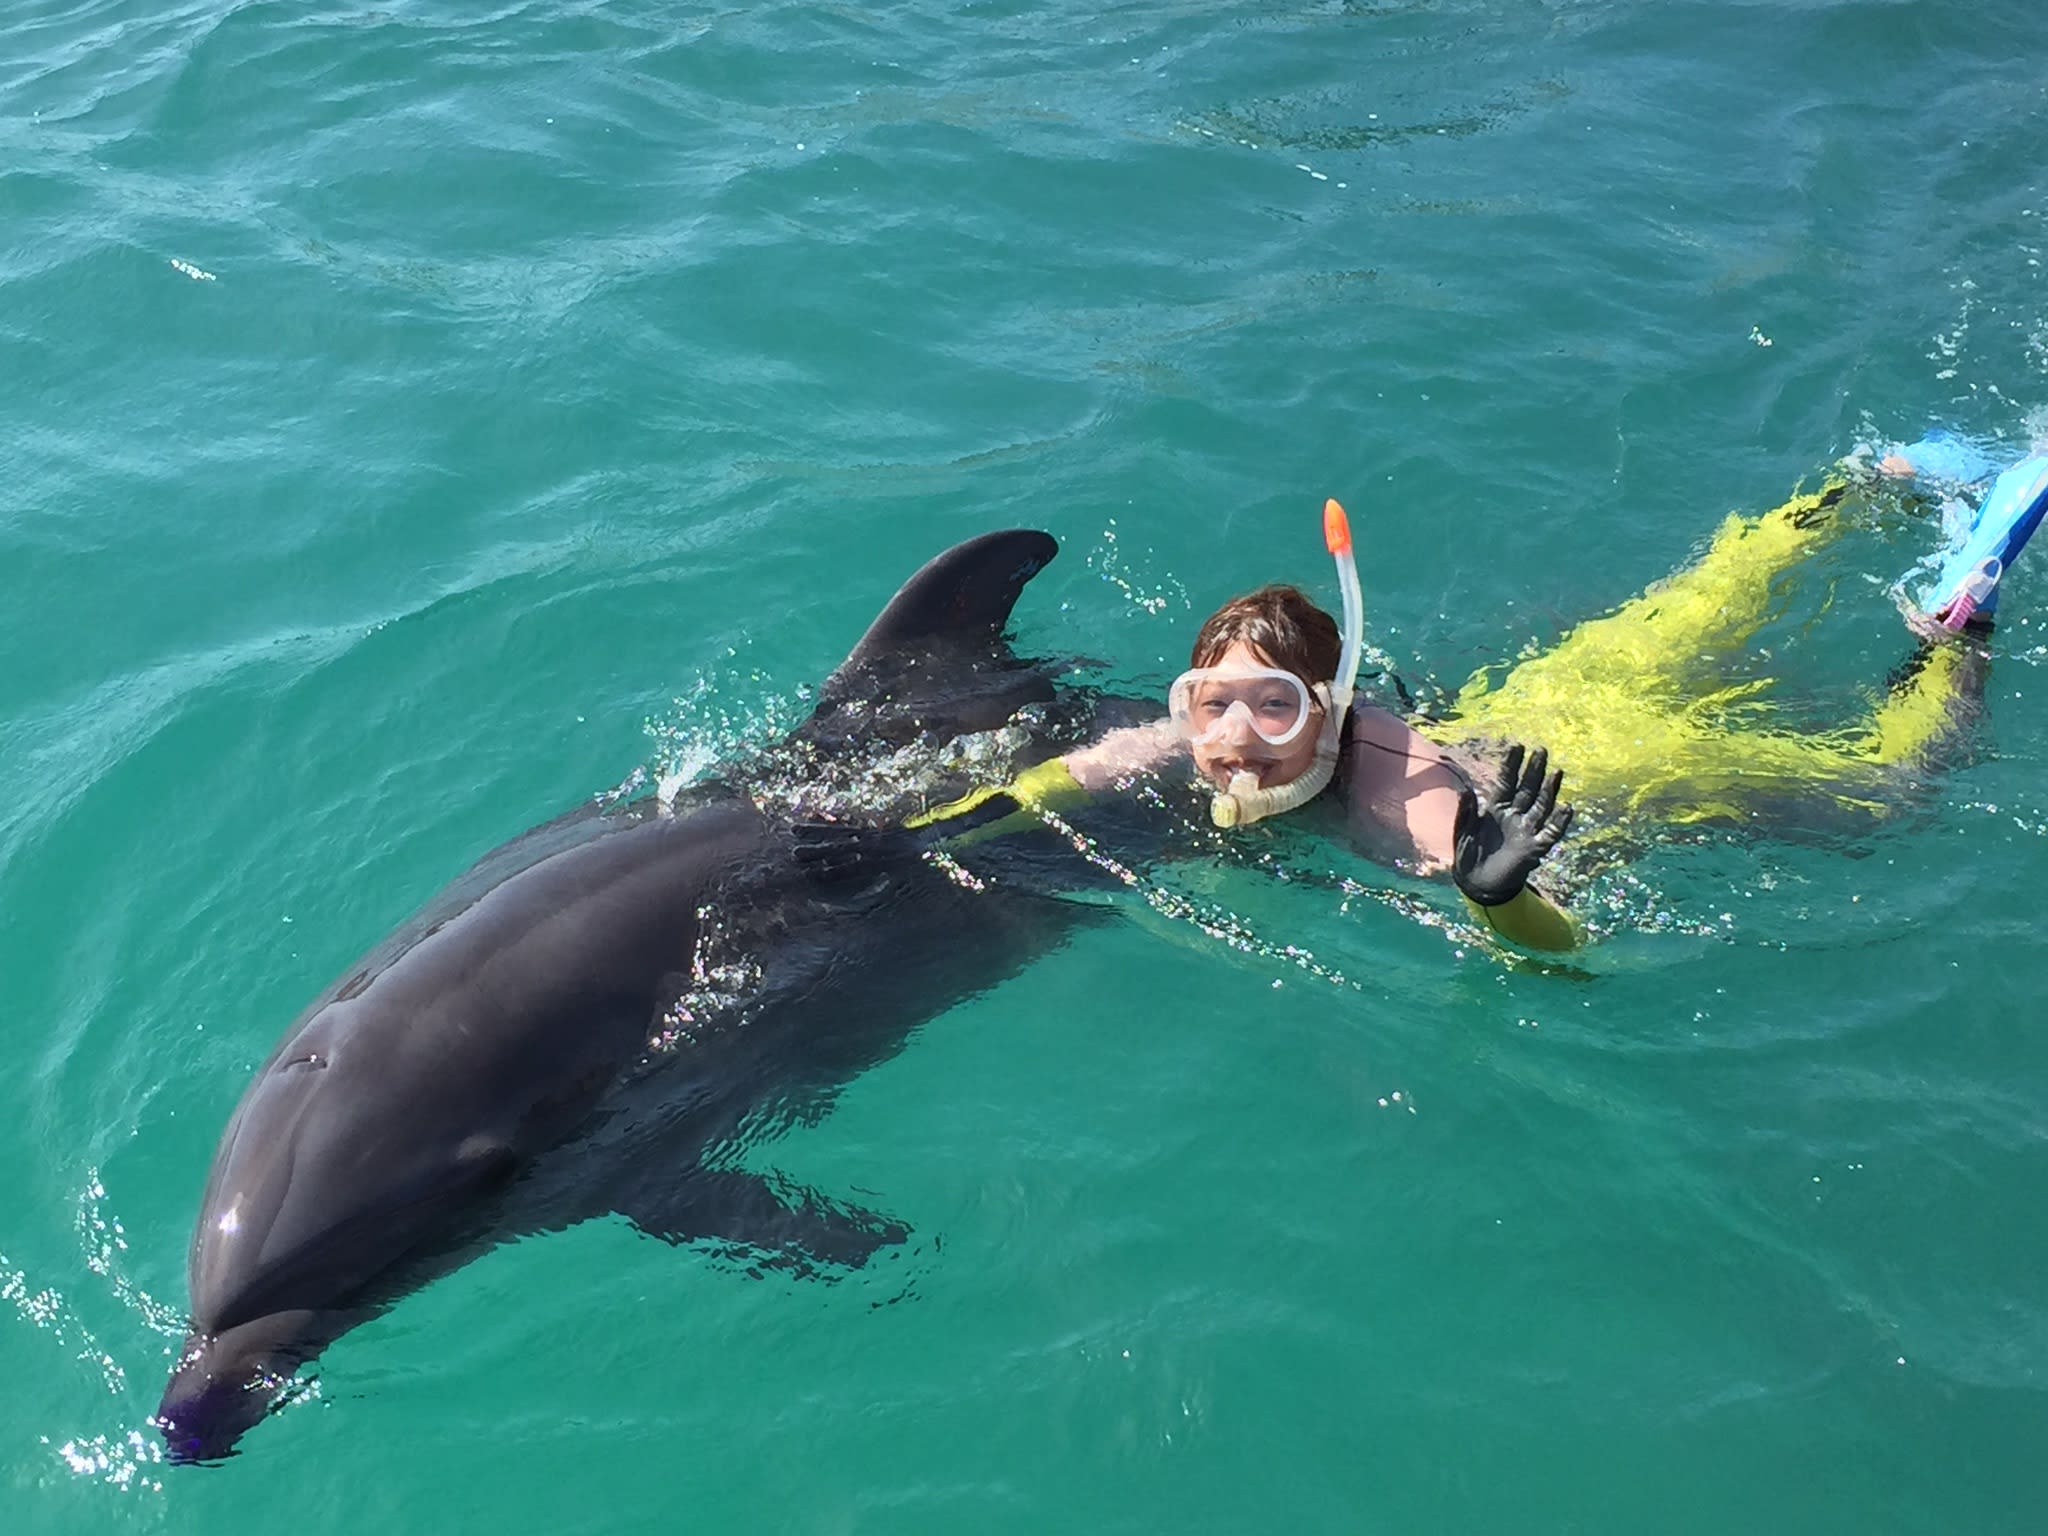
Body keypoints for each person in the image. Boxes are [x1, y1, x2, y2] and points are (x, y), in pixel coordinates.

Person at [911, 502, 1584, 953]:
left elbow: (1559, 948)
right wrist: (923, 835)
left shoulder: (1391, 778)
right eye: (1213, 702)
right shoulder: (1195, 736)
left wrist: (1497, 896)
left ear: (1327, 710)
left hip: (1593, 750)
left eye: (1274, 705)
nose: (1235, 733)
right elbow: (1056, 783)